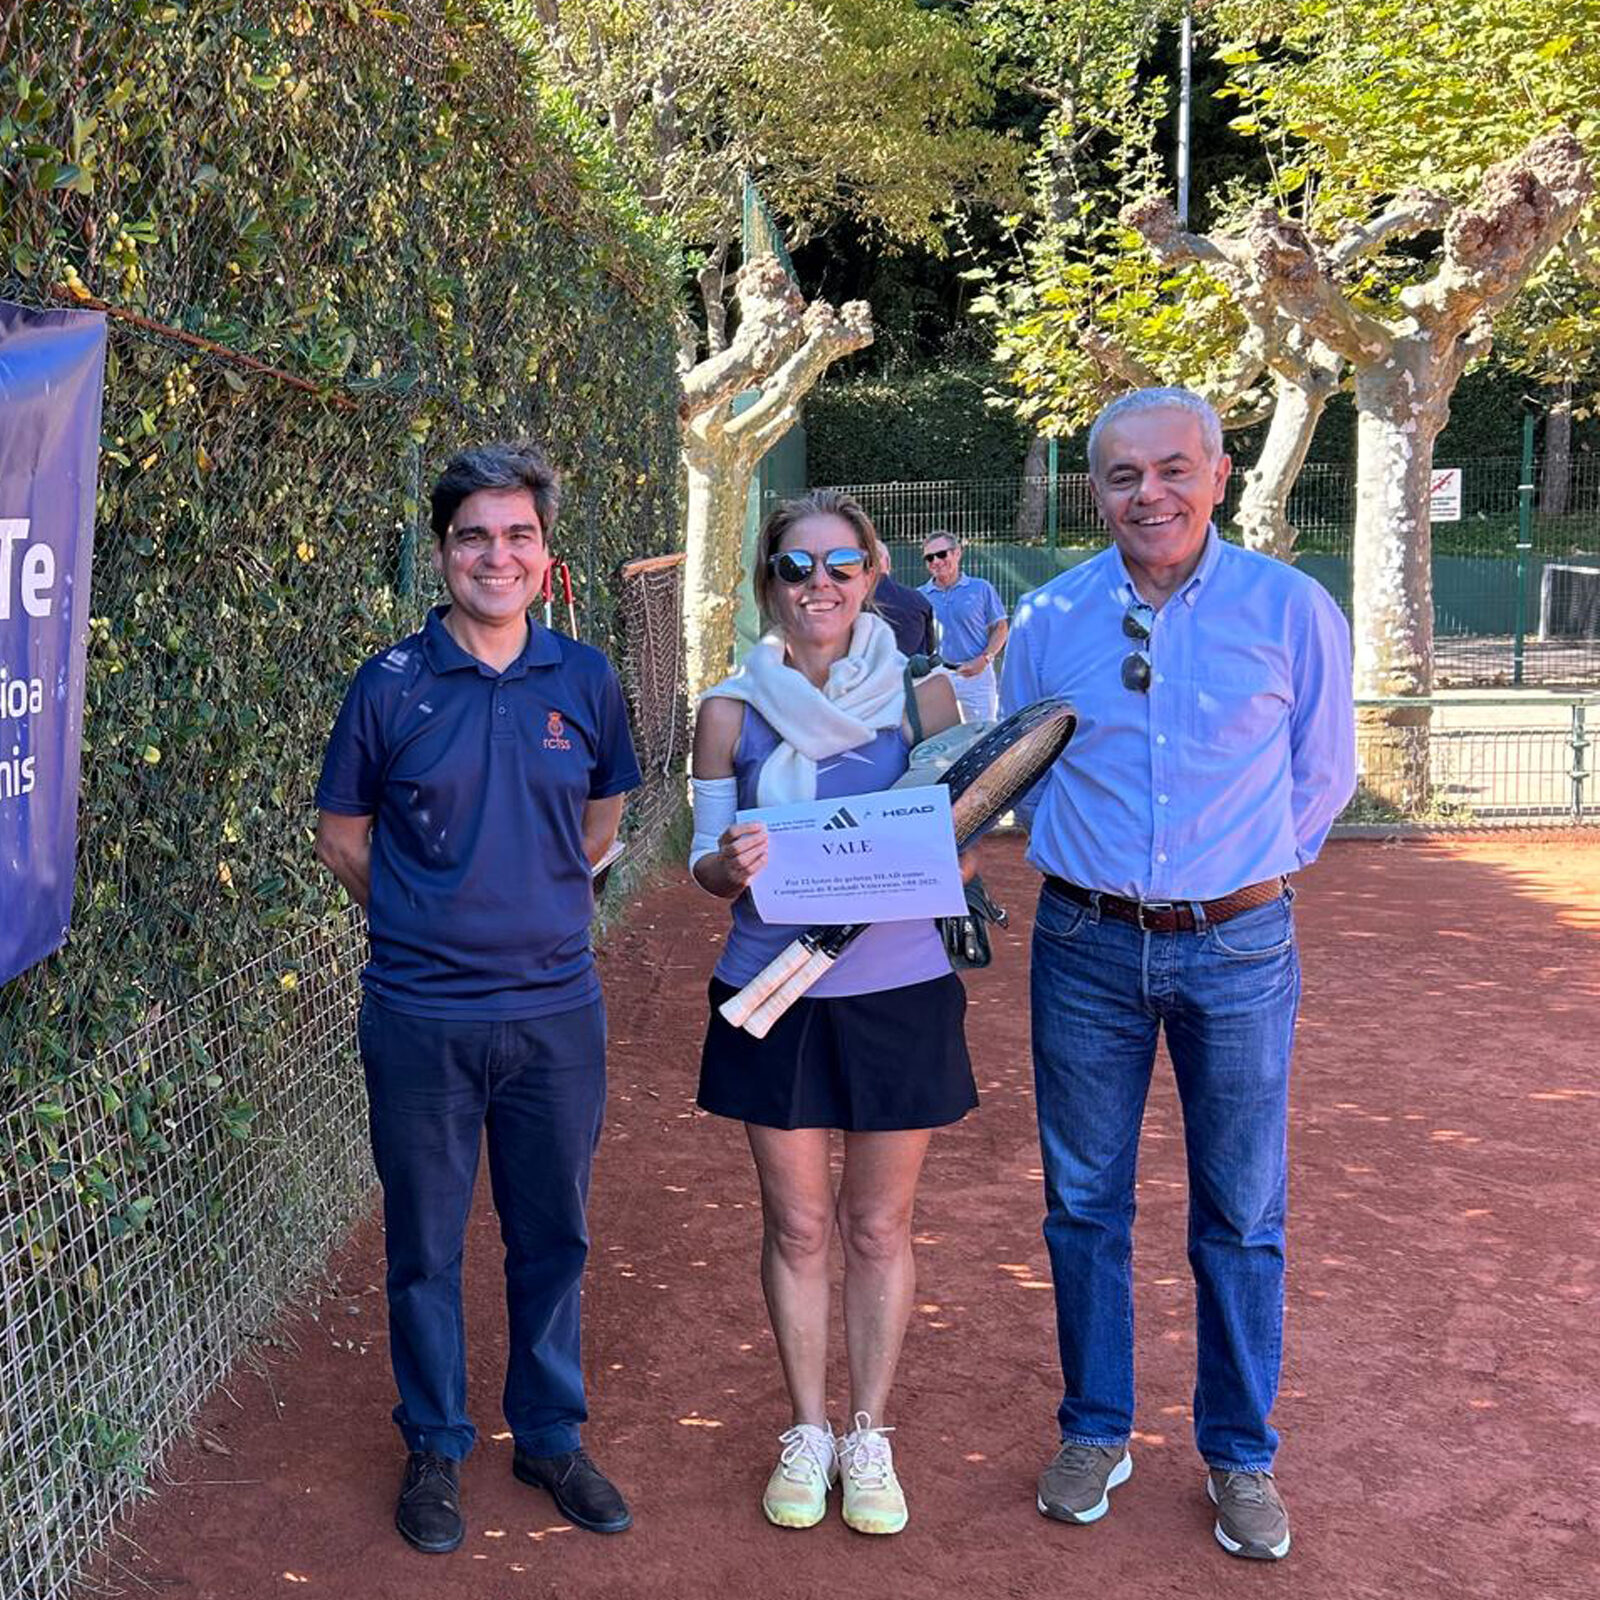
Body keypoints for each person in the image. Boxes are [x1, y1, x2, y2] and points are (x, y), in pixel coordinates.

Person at [999, 388, 1354, 1562]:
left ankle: (1239, 1454)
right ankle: (1096, 1428)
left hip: (1240, 949)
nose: (1145, 493)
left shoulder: (1290, 608)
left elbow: (1322, 775)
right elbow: (1026, 768)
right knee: (1082, 1203)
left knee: (1241, 1214)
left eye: (1169, 470)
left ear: (1217, 471)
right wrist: (1101, 872)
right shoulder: (1050, 616)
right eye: (1118, 476)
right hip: (1085, 946)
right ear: (1093, 489)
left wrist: (1238, 874)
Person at [313, 442, 641, 1555]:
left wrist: (535, 905)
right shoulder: (389, 683)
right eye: (472, 536)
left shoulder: (586, 679)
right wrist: (422, 914)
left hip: (556, 1012)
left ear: (546, 556)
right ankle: (436, 1445)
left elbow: (601, 825)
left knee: (554, 1234)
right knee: (425, 1243)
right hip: (419, 1014)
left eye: (517, 536)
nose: (494, 555)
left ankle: (548, 1434)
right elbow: (342, 837)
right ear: (443, 551)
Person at [691, 489, 976, 1538]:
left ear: (874, 570)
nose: (819, 585)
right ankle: (806, 1427)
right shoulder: (729, 708)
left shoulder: (927, 699)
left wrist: (941, 846)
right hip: (772, 991)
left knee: (876, 1222)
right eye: (796, 567)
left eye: (841, 564)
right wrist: (729, 861)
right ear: (767, 579)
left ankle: (869, 1431)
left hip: (897, 991)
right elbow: (704, 866)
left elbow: (967, 838)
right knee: (799, 1223)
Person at [919, 531, 1007, 723]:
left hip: (977, 676)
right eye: (929, 557)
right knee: (940, 740)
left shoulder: (981, 588)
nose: (936, 561)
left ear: (957, 553)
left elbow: (1000, 628)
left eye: (942, 554)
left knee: (981, 737)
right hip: (936, 677)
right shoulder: (920, 596)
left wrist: (985, 659)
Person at [869, 538, 936, 659]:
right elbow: (929, 648)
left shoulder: (851, 602)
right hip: (912, 674)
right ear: (888, 562)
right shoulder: (919, 600)